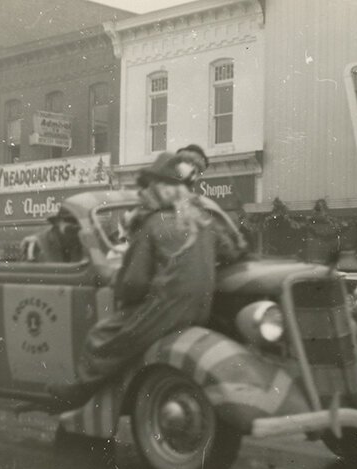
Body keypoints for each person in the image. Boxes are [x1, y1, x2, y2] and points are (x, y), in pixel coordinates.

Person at [48, 152, 228, 407]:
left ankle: (79, 393)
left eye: (144, 187)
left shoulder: (152, 224)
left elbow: (133, 283)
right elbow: (230, 249)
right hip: (201, 306)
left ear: (157, 190)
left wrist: (120, 287)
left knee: (103, 336)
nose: (141, 194)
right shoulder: (200, 220)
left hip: (168, 308)